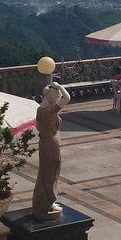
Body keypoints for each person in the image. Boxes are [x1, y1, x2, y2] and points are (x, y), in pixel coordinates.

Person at [32, 82, 71, 221]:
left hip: (47, 142)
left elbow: (37, 126)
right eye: (56, 97)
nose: (57, 100)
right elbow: (67, 98)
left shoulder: (41, 109)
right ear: (50, 96)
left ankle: (46, 202)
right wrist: (59, 86)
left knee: (47, 173)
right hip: (51, 144)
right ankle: (47, 202)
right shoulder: (48, 111)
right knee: (50, 174)